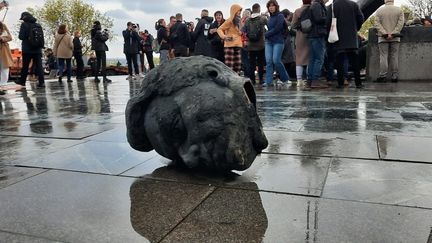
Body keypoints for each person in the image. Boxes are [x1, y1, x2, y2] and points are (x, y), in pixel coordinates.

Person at [329, 0, 364, 88]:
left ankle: (340, 83)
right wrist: (356, 28)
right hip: (352, 37)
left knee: (340, 61)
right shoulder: (354, 4)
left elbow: (328, 21)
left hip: (338, 37)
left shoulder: (333, 6)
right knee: (355, 61)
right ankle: (358, 83)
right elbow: (361, 18)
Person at [375, 0, 404, 83]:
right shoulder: (399, 10)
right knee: (394, 56)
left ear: (385, 1)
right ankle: (394, 76)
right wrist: (393, 33)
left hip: (383, 38)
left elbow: (377, 23)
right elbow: (400, 23)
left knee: (383, 56)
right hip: (395, 37)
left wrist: (385, 33)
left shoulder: (379, 10)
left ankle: (382, 76)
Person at [263, 0, 289, 87]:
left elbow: (277, 28)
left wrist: (266, 34)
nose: (271, 7)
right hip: (269, 42)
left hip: (278, 41)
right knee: (269, 62)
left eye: (272, 6)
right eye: (269, 6)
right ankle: (268, 82)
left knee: (276, 60)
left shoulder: (280, 15)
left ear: (276, 7)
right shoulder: (269, 18)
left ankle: (285, 79)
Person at [16, 12, 45, 88]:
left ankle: (22, 82)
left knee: (25, 66)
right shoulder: (38, 25)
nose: (22, 20)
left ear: (25, 17)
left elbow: (21, 37)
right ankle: (41, 82)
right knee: (39, 66)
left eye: (22, 19)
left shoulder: (24, 25)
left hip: (27, 49)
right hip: (37, 49)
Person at [305, 0, 328, 90]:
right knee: (319, 58)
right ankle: (315, 80)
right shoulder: (317, 5)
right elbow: (318, 19)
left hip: (312, 35)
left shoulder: (313, 5)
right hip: (318, 34)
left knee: (313, 58)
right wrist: (327, 18)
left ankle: (310, 80)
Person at [243, 3, 266, 85]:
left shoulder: (247, 20)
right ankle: (261, 80)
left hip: (251, 45)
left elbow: (243, 30)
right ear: (259, 9)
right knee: (260, 63)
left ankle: (252, 80)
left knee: (251, 63)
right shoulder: (262, 19)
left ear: (252, 10)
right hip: (261, 45)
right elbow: (269, 26)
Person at [217, 4, 243, 74]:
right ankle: (229, 82)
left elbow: (241, 32)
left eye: (240, 11)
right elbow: (219, 29)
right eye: (238, 10)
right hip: (229, 45)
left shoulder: (239, 21)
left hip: (238, 45)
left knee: (237, 65)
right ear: (234, 11)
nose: (239, 12)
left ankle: (235, 81)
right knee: (229, 66)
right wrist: (224, 36)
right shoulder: (229, 21)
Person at [292, 0, 311, 84]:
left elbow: (293, 25)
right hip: (310, 35)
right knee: (310, 58)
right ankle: (308, 77)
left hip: (300, 35)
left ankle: (299, 79)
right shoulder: (312, 9)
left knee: (299, 58)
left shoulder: (297, 11)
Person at [281, 9, 297, 85]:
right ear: (287, 16)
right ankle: (286, 77)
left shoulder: (279, 21)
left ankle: (282, 77)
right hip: (287, 43)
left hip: (280, 43)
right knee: (287, 61)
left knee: (283, 60)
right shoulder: (287, 23)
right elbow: (293, 32)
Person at [0, 21, 12, 95]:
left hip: (3, 50)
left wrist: (2, 38)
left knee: (4, 68)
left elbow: (9, 37)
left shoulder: (2, 25)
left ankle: (3, 85)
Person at [240, 8, 252, 79]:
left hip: (243, 43)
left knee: (245, 60)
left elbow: (243, 33)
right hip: (248, 43)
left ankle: (247, 75)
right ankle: (249, 75)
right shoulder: (249, 21)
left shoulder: (242, 21)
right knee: (248, 60)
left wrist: (244, 40)